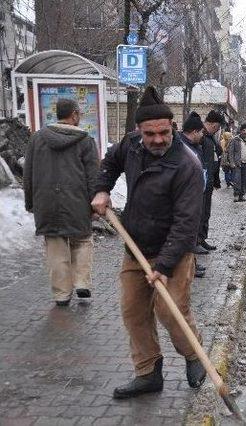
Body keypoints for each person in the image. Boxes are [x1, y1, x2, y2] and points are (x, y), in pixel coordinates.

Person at [91, 86, 206, 399]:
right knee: (133, 311)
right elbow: (109, 163)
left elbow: (186, 225)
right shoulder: (130, 146)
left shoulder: (187, 166)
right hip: (136, 246)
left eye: (164, 132)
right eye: (150, 133)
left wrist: (165, 266)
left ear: (173, 128)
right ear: (138, 131)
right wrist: (102, 189)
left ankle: (193, 353)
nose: (157, 139)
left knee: (170, 312)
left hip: (175, 252)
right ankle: (147, 373)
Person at [23, 98, 98, 307]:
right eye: (79, 114)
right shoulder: (85, 141)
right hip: (78, 201)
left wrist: (31, 202)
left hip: (46, 202)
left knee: (55, 247)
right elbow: (93, 176)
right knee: (82, 240)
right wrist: (95, 203)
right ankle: (82, 282)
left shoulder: (37, 139)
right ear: (74, 115)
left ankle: (61, 294)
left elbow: (28, 174)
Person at [180, 112, 208, 278]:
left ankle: (192, 265)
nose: (203, 135)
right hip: (186, 197)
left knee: (191, 231)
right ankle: (189, 267)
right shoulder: (183, 147)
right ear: (194, 132)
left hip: (196, 193)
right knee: (187, 232)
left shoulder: (194, 146)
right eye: (201, 132)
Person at [199, 111, 224, 251]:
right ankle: (196, 241)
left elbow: (217, 155)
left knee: (206, 212)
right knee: (200, 212)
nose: (218, 130)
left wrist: (215, 180)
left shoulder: (210, 137)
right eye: (217, 127)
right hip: (201, 182)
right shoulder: (201, 136)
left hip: (208, 181)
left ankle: (202, 239)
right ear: (213, 124)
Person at [228, 124, 246, 202]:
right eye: (243, 130)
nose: (245, 132)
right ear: (241, 131)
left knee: (244, 180)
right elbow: (231, 152)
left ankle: (242, 195)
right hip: (237, 164)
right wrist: (232, 162)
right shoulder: (235, 140)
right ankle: (236, 195)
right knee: (237, 180)